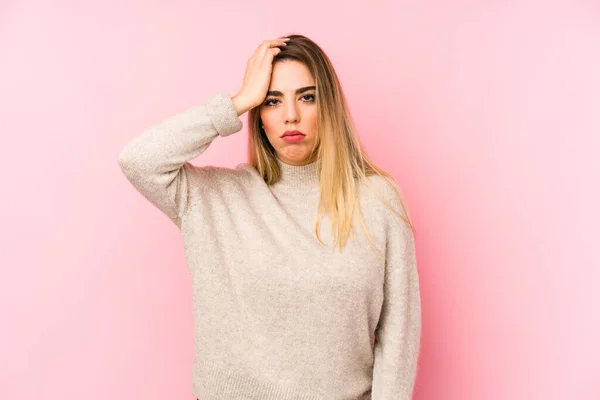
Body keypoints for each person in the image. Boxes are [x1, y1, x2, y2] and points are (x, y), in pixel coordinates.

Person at [118, 34, 421, 400]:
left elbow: (398, 335)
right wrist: (239, 101)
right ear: (258, 116)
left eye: (307, 97)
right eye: (272, 101)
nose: (290, 114)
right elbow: (139, 160)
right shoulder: (214, 198)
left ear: (330, 107)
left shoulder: (377, 200)